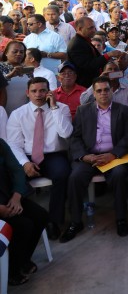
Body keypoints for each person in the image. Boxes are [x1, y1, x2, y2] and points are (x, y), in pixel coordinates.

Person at [62, 76, 128, 242]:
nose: (103, 93)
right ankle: (75, 221)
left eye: (106, 90)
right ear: (93, 93)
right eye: (99, 90)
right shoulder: (83, 110)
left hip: (113, 157)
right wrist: (84, 156)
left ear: (112, 92)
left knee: (119, 175)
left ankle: (121, 219)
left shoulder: (123, 111)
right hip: (90, 157)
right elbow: (76, 137)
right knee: (74, 177)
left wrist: (113, 154)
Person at [6, 77, 73, 239]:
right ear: (27, 93)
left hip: (53, 155)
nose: (38, 94)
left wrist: (54, 107)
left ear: (49, 92)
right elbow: (14, 144)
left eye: (42, 90)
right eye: (34, 91)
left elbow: (66, 133)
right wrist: (24, 163)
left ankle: (53, 221)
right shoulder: (18, 114)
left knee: (62, 174)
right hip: (26, 156)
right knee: (10, 179)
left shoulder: (61, 108)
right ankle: (18, 221)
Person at [0, 137, 49, 286]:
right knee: (23, 225)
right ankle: (10, 272)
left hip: (9, 197)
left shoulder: (0, 144)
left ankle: (22, 259)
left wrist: (16, 196)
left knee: (40, 216)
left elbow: (16, 170)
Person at [67, 17, 127, 88]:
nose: (94, 30)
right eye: (90, 28)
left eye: (94, 27)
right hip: (86, 86)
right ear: (80, 29)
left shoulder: (85, 40)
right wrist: (108, 55)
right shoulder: (76, 44)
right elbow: (89, 66)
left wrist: (115, 63)